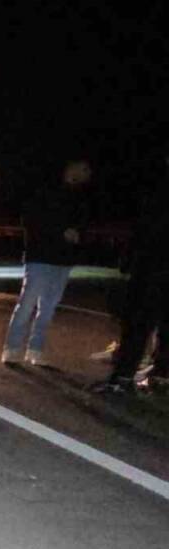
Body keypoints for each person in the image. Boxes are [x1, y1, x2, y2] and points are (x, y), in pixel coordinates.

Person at [1, 160, 92, 366]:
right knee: (27, 303)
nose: (88, 174)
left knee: (49, 307)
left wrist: (79, 236)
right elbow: (31, 218)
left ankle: (35, 349)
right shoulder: (46, 190)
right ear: (72, 168)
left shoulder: (80, 198)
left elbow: (84, 225)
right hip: (41, 256)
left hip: (63, 260)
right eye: (85, 169)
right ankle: (12, 347)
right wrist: (60, 231)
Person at [93, 153, 169, 393]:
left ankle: (123, 378)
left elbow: (146, 227)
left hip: (153, 265)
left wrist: (128, 261)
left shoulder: (159, 189)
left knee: (138, 322)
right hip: (155, 263)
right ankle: (161, 375)